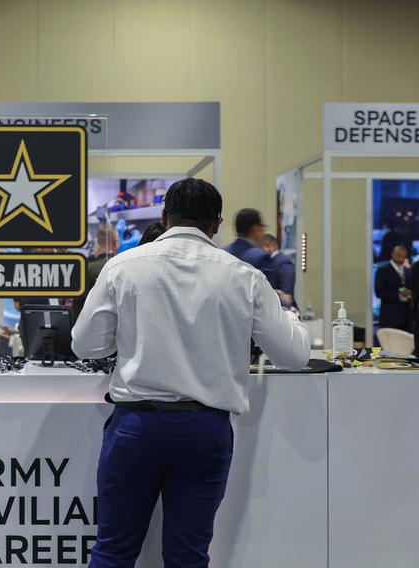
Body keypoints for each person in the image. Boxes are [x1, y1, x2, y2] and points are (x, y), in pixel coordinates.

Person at [71, 178, 309, 567]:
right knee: (188, 557)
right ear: (216, 224)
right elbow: (294, 356)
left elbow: (86, 346)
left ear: (164, 217)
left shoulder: (124, 266)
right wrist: (288, 316)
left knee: (113, 551)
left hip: (136, 426)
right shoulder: (244, 276)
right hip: (204, 431)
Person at [72, 224, 120, 321]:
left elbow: (76, 305)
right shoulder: (121, 266)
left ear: (97, 241)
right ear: (116, 241)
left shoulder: (85, 268)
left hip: (86, 325)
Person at [225, 208, 277, 288]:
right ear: (255, 229)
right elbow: (268, 296)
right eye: (262, 227)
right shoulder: (261, 258)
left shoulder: (224, 252)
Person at [375, 244, 412, 332]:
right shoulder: (382, 270)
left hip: (407, 318)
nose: (401, 258)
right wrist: (398, 294)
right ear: (393, 254)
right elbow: (379, 292)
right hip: (390, 318)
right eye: (399, 255)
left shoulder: (408, 271)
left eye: (403, 256)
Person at [263, 233, 296, 307]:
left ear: (268, 247)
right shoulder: (270, 263)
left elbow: (287, 297)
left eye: (259, 248)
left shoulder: (284, 263)